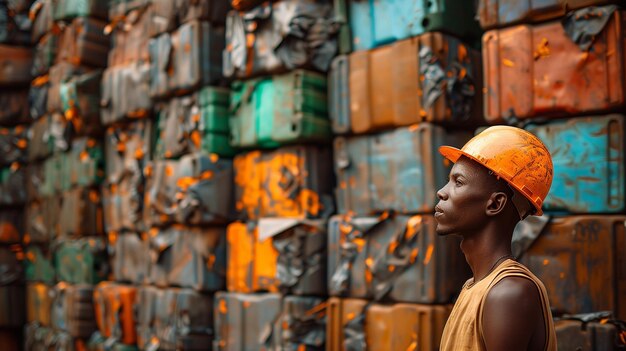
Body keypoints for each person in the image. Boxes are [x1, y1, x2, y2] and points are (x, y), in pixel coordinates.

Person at [436, 126, 557, 351]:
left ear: (495, 204)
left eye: (458, 182)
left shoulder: (508, 293)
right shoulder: (474, 288)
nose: (442, 192)